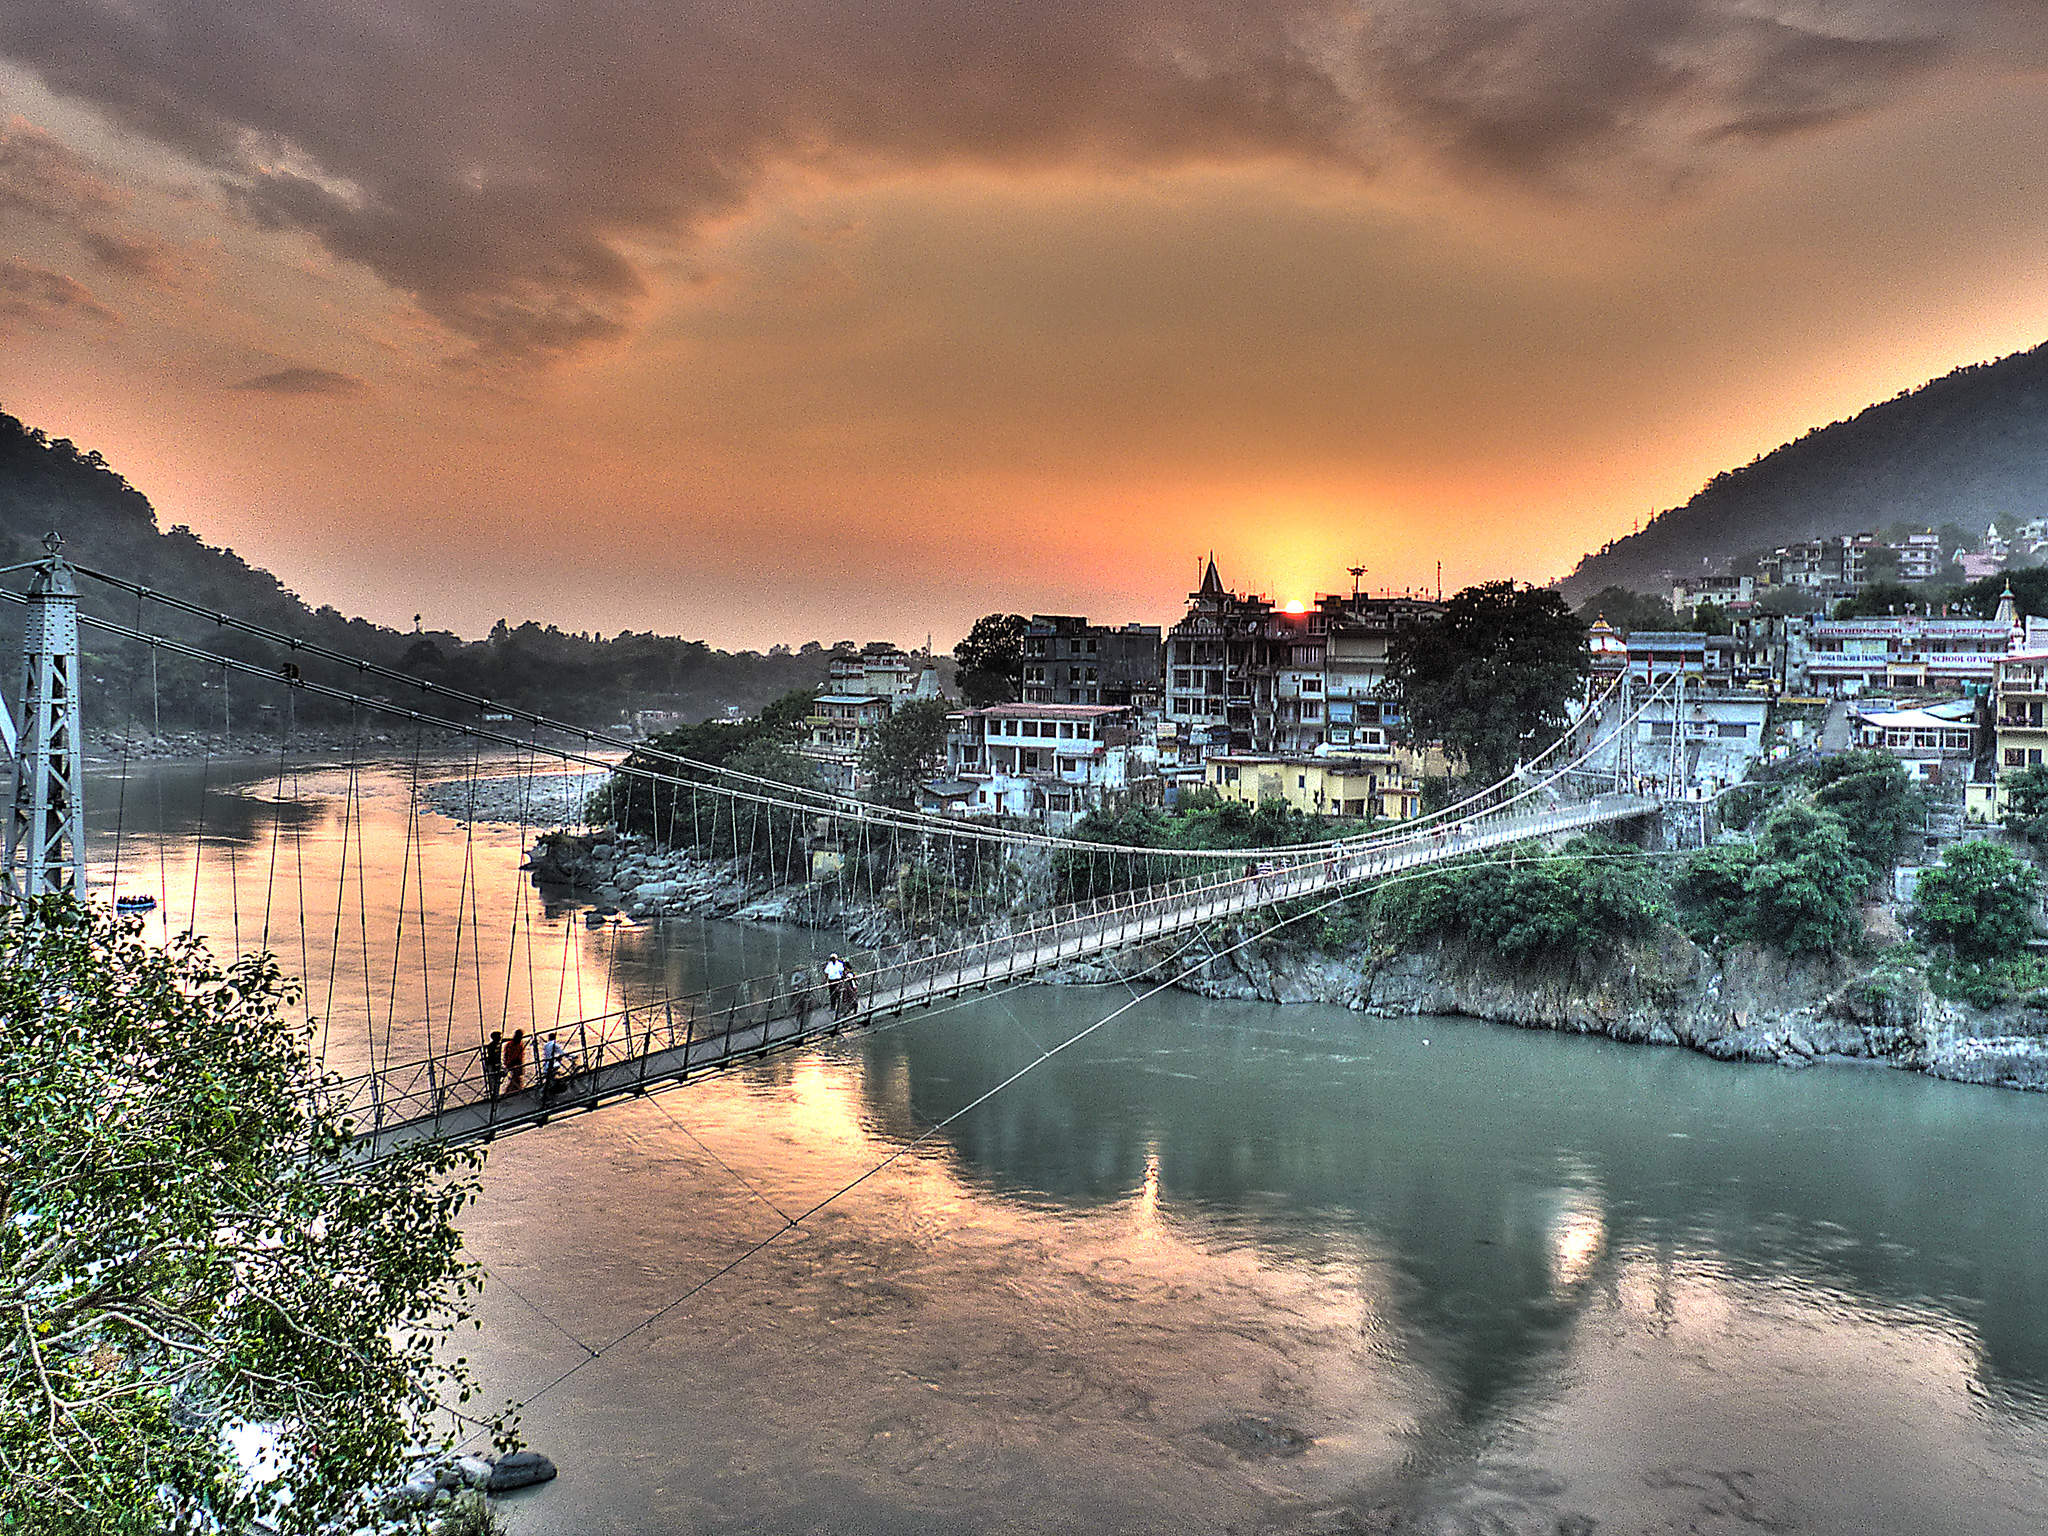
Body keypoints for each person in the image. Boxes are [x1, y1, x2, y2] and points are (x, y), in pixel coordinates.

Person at [539, 1032, 568, 1102]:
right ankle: (545, 1094)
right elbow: (562, 1053)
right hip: (552, 1064)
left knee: (550, 1078)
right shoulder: (555, 1045)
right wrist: (571, 1056)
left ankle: (549, 1090)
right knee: (552, 1076)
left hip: (546, 1064)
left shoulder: (546, 1045)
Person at [483, 1030, 504, 1100]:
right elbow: (492, 1057)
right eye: (499, 1037)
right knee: (493, 1081)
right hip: (492, 1065)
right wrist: (495, 1065)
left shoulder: (497, 1044)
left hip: (496, 1064)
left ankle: (496, 1094)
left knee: (497, 1080)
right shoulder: (491, 1046)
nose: (500, 1038)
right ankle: (494, 1096)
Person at [504, 1028, 526, 1094]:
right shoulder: (510, 1044)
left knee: (518, 1077)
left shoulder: (520, 1044)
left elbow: (521, 1054)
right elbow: (508, 1055)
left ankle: (516, 1089)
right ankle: (509, 1091)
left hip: (518, 1062)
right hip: (512, 1062)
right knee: (515, 1077)